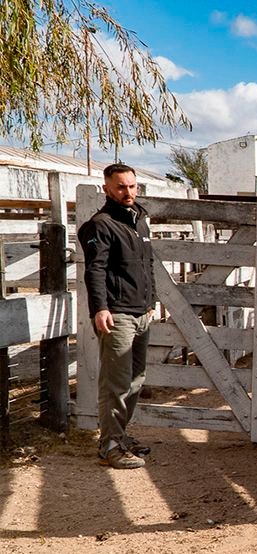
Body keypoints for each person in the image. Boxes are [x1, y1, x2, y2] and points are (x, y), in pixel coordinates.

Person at [79, 163, 157, 469]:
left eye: (132, 186)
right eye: (121, 187)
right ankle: (109, 446)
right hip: (117, 314)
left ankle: (120, 436)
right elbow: (94, 269)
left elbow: (147, 265)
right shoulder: (100, 225)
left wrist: (152, 301)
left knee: (136, 379)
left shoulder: (140, 221)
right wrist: (100, 308)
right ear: (107, 188)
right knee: (116, 382)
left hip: (141, 311)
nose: (128, 192)